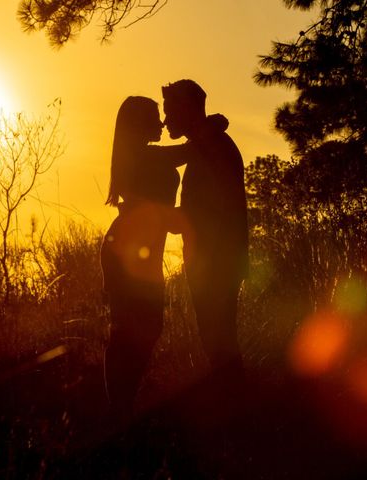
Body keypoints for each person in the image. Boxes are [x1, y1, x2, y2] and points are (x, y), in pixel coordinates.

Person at [161, 79, 249, 387]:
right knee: (218, 340)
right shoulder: (206, 144)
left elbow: (216, 208)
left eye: (169, 111)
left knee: (219, 340)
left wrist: (163, 219)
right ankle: (235, 404)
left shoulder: (212, 146)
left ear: (186, 109)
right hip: (216, 259)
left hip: (216, 261)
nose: (165, 120)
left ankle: (236, 409)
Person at [100, 96, 181, 421]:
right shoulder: (145, 157)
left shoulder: (143, 156)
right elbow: (188, 152)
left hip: (138, 250)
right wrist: (208, 128)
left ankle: (120, 410)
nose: (162, 123)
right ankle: (119, 412)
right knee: (132, 330)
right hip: (128, 250)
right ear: (138, 123)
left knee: (138, 329)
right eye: (155, 117)